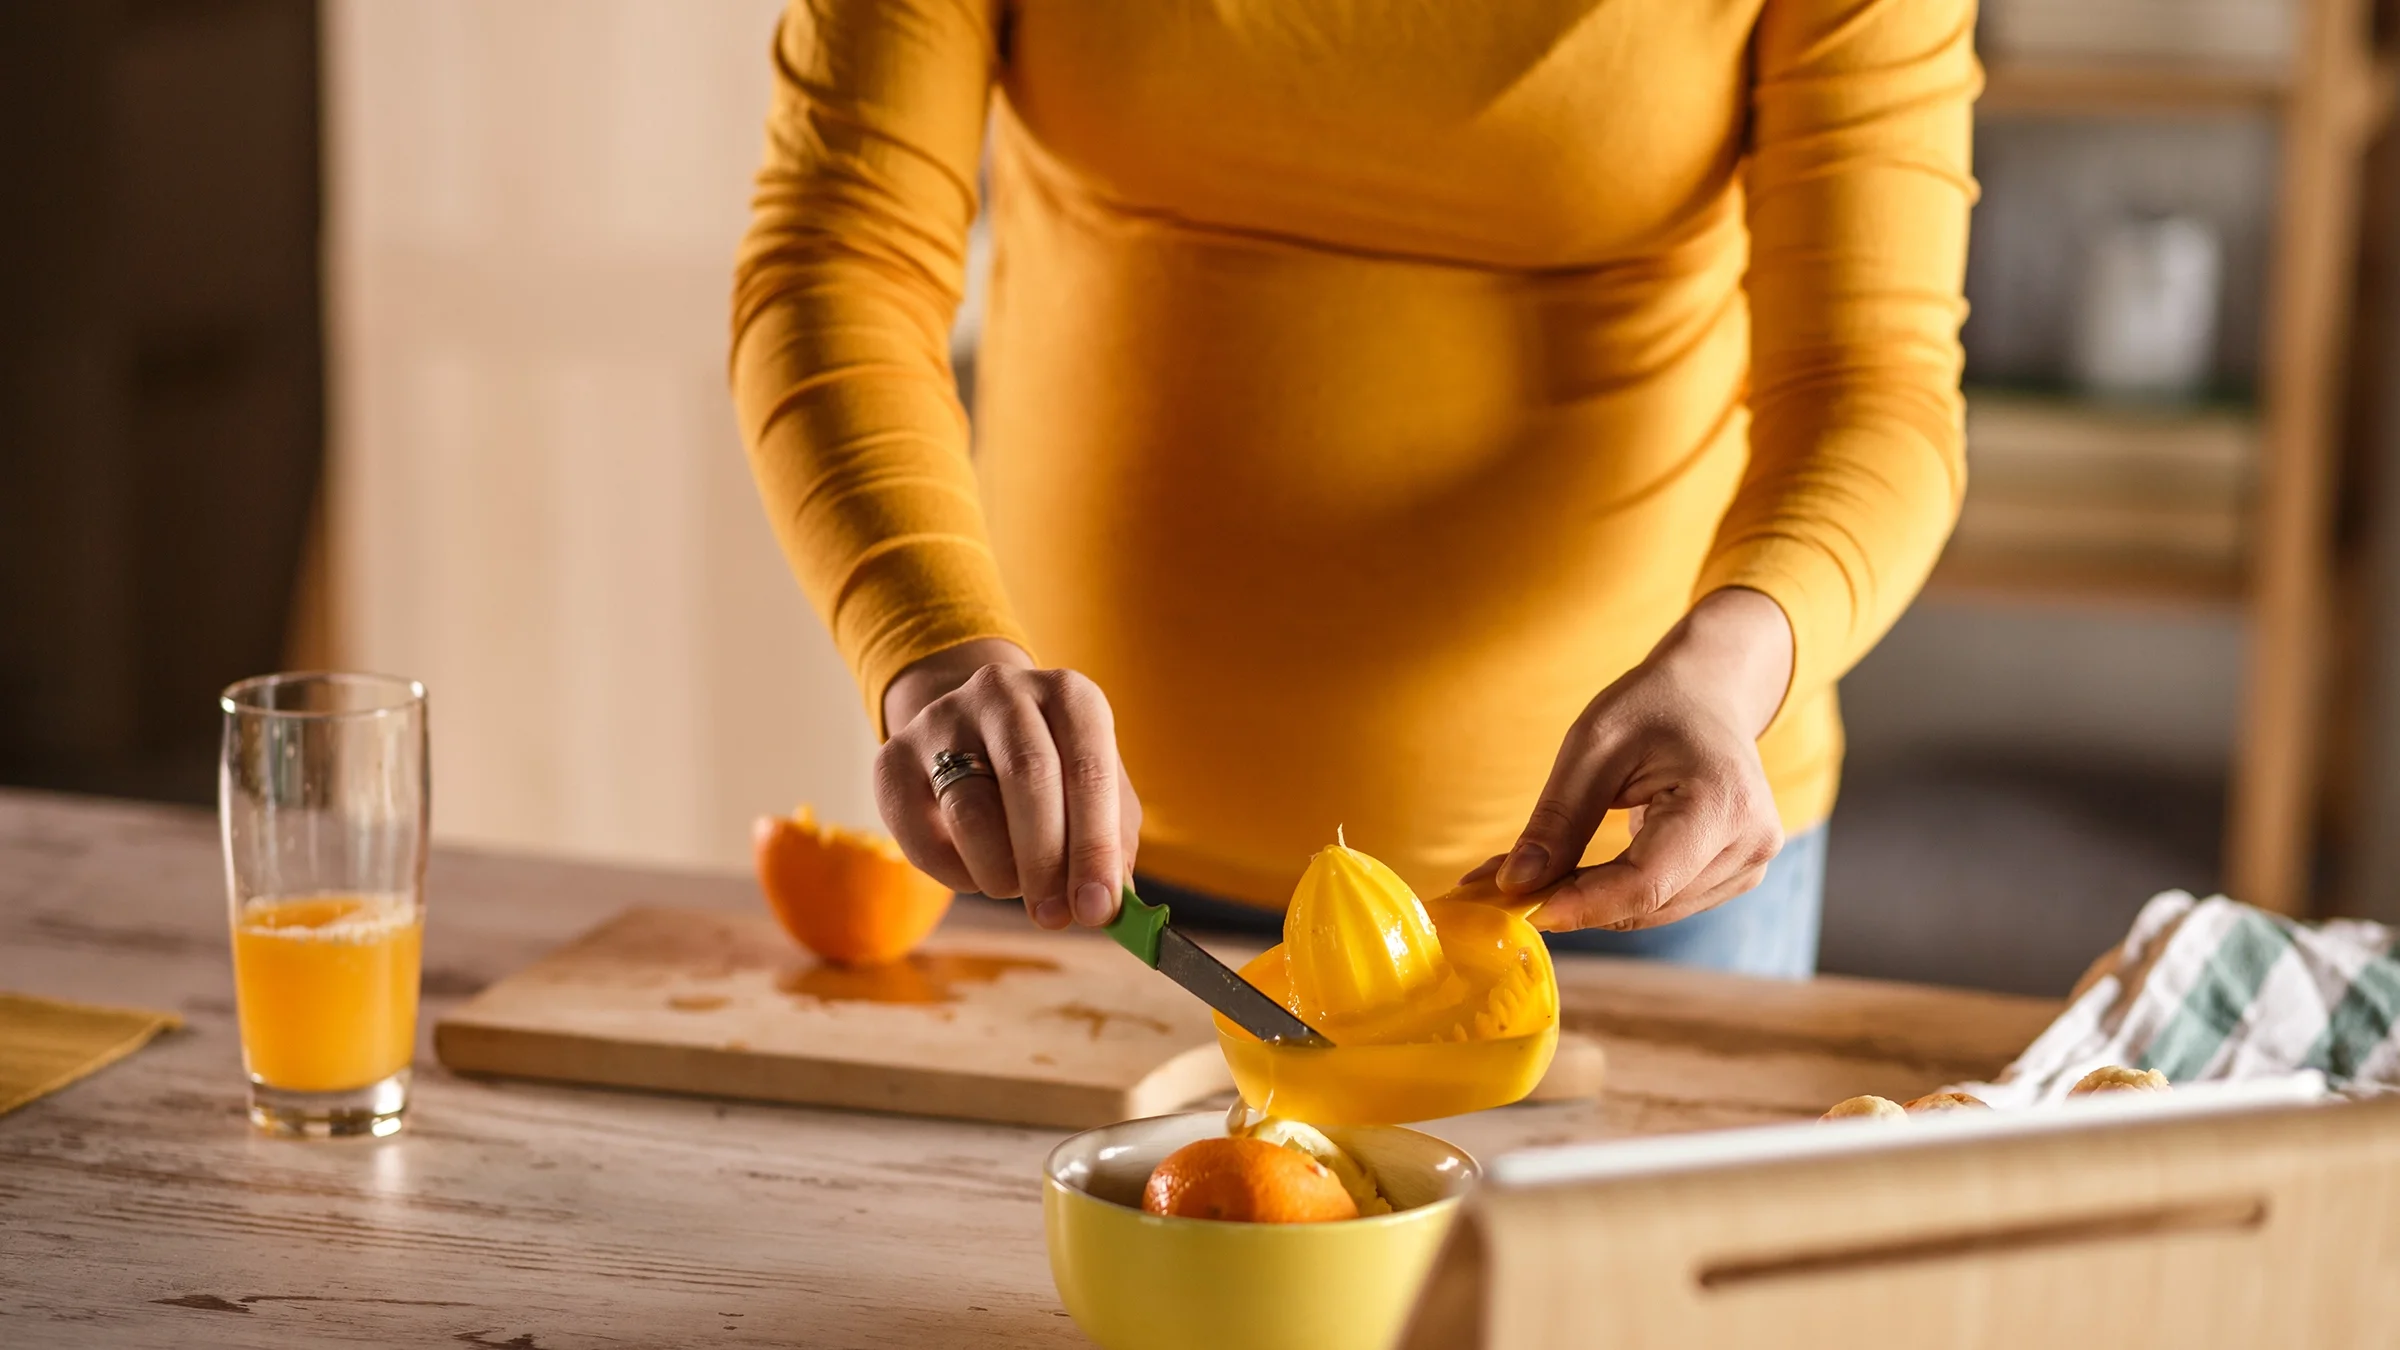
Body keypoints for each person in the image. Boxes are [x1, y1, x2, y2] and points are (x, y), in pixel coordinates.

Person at [731, 0, 1976, 979]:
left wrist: (1728, 676)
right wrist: (931, 650)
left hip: (1626, 901)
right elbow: (840, 261)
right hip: (1068, 864)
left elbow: (1873, 380)